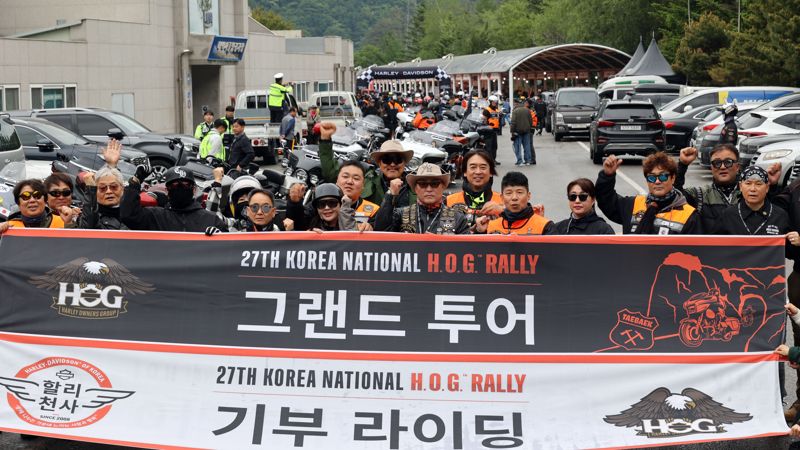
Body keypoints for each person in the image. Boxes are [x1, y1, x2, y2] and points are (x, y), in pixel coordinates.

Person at [675, 144, 781, 234]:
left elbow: (774, 212)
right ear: (711, 167)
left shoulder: (751, 192)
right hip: (710, 251)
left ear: (737, 167)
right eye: (717, 163)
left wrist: (772, 186)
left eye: (728, 162)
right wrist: (682, 165)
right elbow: (674, 196)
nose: (722, 167)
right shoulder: (700, 195)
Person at [596, 152, 701, 234]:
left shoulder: (689, 215)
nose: (657, 181)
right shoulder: (633, 204)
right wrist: (607, 176)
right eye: (652, 177)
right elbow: (606, 201)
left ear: (673, 178)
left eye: (663, 176)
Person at [318, 122, 415, 207]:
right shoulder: (367, 180)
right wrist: (325, 140)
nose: (392, 164)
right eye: (387, 160)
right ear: (379, 163)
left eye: (397, 160)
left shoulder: (416, 185)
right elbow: (331, 172)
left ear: (404, 163)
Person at [120, 165, 227, 233]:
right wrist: (136, 181)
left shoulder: (211, 220)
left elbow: (228, 251)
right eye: (175, 185)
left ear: (194, 190)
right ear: (167, 190)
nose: (180, 188)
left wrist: (219, 239)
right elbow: (128, 215)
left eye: (185, 184)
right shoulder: (156, 217)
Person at [374, 163, 469, 234]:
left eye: (434, 184)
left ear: (443, 187)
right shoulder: (400, 214)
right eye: (423, 184)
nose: (429, 189)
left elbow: (466, 248)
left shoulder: (458, 218)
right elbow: (380, 232)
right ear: (415, 188)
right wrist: (390, 194)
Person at [475, 171, 555, 235]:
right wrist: (480, 232)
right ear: (502, 197)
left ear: (528, 196)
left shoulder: (545, 226)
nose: (514, 198)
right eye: (509, 193)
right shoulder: (490, 226)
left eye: (519, 192)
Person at [719, 166, 790, 236]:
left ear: (767, 187)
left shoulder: (780, 216)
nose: (753, 189)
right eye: (748, 183)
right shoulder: (728, 215)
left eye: (758, 184)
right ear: (740, 186)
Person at [446, 150, 503, 226]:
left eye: (483, 167)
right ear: (465, 172)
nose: (478, 172)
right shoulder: (449, 202)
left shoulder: (503, 202)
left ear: (491, 173)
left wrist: (503, 211)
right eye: (473, 167)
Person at [286, 183, 359, 232]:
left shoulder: (356, 223)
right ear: (316, 208)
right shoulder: (310, 224)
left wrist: (345, 212)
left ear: (340, 204)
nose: (326, 208)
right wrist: (294, 203)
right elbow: (297, 222)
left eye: (332, 203)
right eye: (321, 204)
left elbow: (352, 239)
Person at [0, 179, 66, 233]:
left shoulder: (64, 223)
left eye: (37, 195)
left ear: (45, 200)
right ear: (18, 203)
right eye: (25, 196)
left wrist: (70, 223)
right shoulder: (7, 228)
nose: (32, 200)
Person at [510, 101, 533, 166]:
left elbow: (513, 122)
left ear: (516, 104)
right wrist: (529, 127)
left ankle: (520, 161)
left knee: (517, 147)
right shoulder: (527, 110)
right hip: (526, 131)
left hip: (517, 132)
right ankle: (528, 161)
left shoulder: (515, 111)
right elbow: (530, 120)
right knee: (527, 146)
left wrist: (512, 131)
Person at [482, 95, 501, 165]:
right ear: (490, 102)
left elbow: (497, 119)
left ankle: (493, 159)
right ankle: (489, 160)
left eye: (496, 102)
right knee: (488, 146)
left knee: (494, 146)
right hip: (488, 130)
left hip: (494, 130)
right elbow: (484, 120)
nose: (495, 103)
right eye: (494, 102)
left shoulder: (496, 110)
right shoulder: (486, 110)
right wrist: (486, 125)